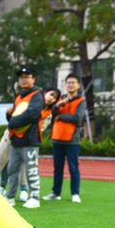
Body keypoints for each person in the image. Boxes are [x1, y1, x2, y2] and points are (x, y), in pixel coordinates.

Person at [0, 87, 60, 200]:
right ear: (45, 93)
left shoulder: (48, 114)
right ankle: (2, 188)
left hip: (30, 140)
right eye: (51, 94)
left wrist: (28, 128)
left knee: (27, 167)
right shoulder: (27, 102)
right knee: (8, 164)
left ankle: (26, 191)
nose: (51, 98)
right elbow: (13, 119)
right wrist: (9, 115)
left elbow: (41, 128)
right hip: (14, 136)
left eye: (55, 97)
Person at [5, 67, 44, 209]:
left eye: (27, 76)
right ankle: (10, 196)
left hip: (30, 139)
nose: (24, 79)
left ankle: (34, 196)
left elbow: (32, 114)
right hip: (16, 139)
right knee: (12, 169)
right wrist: (9, 115)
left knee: (31, 168)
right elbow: (15, 116)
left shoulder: (37, 95)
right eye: (21, 77)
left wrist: (12, 122)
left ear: (33, 79)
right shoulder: (19, 97)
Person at [44, 73, 86, 204]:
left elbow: (77, 119)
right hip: (57, 138)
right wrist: (57, 106)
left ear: (78, 85)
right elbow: (51, 113)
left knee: (73, 168)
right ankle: (56, 193)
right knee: (57, 168)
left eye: (73, 82)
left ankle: (75, 193)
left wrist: (61, 117)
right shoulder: (60, 99)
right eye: (68, 82)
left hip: (72, 140)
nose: (70, 85)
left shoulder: (81, 101)